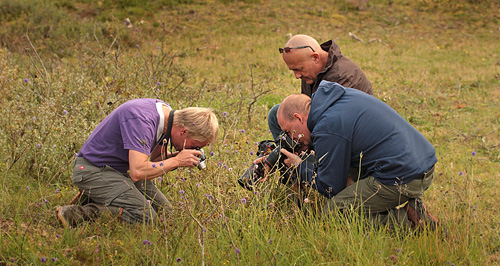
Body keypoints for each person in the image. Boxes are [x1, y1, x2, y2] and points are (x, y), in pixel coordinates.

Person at [256, 81, 439, 229]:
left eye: (289, 132)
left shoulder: (328, 128)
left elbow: (330, 187)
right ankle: (403, 204)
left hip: (405, 177)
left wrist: (300, 165)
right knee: (345, 188)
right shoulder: (332, 100)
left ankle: (410, 221)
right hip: (417, 162)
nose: (290, 138)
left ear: (298, 117)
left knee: (334, 214)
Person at [55, 99, 218, 227]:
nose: (192, 148)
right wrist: (176, 160)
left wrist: (177, 157)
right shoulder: (142, 119)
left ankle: (99, 197)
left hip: (118, 172)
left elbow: (154, 160)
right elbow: (138, 171)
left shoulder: (168, 119)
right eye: (193, 145)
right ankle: (76, 214)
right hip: (93, 170)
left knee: (164, 214)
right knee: (145, 216)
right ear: (184, 131)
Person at [268, 34, 372, 139]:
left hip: (351, 134)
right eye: (293, 70)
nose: (297, 76)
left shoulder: (342, 76)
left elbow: (330, 122)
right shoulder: (311, 71)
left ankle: (300, 153)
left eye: (299, 69)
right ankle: (286, 151)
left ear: (315, 57)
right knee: (276, 114)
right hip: (326, 122)